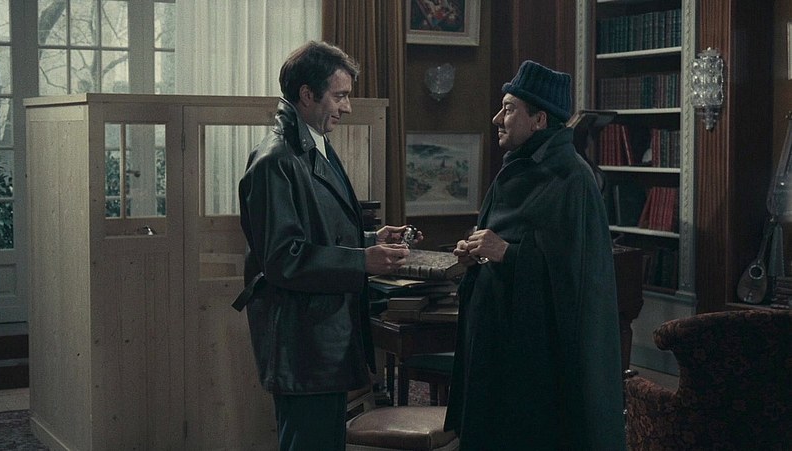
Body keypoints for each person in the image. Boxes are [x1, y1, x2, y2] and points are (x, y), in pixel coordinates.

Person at [232, 41, 417, 451]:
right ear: (307, 94)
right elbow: (283, 258)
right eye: (340, 96)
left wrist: (371, 241)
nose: (347, 108)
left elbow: (316, 236)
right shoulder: (276, 161)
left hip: (320, 337)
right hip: (303, 341)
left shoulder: (312, 146)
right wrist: (362, 261)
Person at [443, 60, 626, 450]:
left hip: (534, 358)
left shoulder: (573, 179)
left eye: (509, 109)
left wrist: (506, 253)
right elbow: (507, 237)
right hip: (496, 343)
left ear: (539, 120)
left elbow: (577, 277)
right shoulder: (517, 166)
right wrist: (476, 251)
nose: (497, 119)